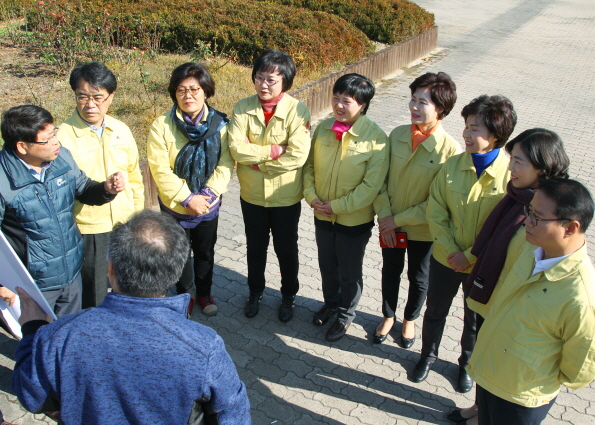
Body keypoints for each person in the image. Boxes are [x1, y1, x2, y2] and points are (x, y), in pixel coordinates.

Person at [11, 210, 251, 424]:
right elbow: (233, 415)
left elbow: (31, 395)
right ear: (177, 272)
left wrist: (32, 329)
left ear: (111, 269)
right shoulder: (204, 345)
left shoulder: (61, 335)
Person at [446, 128, 570, 424]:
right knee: (482, 348)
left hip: (514, 305)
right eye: (511, 159)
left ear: (543, 166)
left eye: (519, 162)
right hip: (491, 293)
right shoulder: (516, 195)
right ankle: (479, 408)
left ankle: (483, 413)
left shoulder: (548, 210)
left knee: (496, 357)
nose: (510, 168)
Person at [467, 178, 595, 425]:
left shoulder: (581, 296)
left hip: (520, 396)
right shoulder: (532, 250)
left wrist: (533, 372)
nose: (527, 220)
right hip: (489, 372)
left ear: (570, 228)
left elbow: (578, 370)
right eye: (529, 211)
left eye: (537, 216)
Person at [412, 95, 517, 393]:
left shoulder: (509, 176)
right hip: (446, 259)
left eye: (475, 129)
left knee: (474, 319)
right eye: (466, 127)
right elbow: (436, 210)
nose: (467, 135)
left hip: (482, 265)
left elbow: (505, 228)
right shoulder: (451, 166)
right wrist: (450, 251)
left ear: (496, 135)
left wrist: (470, 256)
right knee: (435, 312)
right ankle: (427, 356)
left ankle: (467, 365)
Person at [0, 105, 123, 318]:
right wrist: (2, 284)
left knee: (65, 335)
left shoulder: (61, 157)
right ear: (22, 146)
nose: (55, 142)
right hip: (33, 284)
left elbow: (83, 188)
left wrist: (105, 189)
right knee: (36, 342)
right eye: (46, 139)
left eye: (54, 133)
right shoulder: (3, 180)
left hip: (72, 271)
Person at [373, 71, 459, 348]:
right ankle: (388, 315)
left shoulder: (450, 151)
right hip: (390, 224)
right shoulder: (397, 135)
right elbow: (380, 180)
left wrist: (397, 219)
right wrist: (386, 217)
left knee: (418, 277)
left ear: (441, 109)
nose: (414, 107)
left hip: (423, 228)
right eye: (412, 99)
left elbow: (438, 202)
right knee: (390, 270)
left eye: (423, 102)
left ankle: (410, 319)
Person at [303, 73, 389, 342]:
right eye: (336, 98)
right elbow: (309, 168)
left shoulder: (376, 138)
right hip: (322, 214)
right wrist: (311, 196)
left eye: (347, 101)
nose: (339, 105)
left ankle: (345, 314)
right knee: (327, 265)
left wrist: (337, 206)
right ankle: (331, 303)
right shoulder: (324, 128)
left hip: (354, 220)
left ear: (362, 105)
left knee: (350, 271)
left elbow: (370, 187)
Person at [228, 49, 311, 322]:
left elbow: (298, 155)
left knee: (287, 249)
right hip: (252, 196)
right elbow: (236, 150)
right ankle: (255, 292)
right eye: (259, 78)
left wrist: (257, 161)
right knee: (255, 247)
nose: (263, 85)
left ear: (285, 82)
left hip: (285, 197)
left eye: (271, 80)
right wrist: (275, 151)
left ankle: (289, 296)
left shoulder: (298, 110)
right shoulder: (242, 107)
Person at [147, 62, 233, 316]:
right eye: (181, 90)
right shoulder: (161, 125)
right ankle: (185, 295)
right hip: (175, 206)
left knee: (205, 252)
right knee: (179, 253)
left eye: (194, 89)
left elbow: (227, 162)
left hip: (208, 204)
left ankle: (204, 293)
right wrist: (187, 198)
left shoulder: (220, 124)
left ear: (205, 91)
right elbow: (159, 168)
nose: (188, 96)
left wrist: (205, 197)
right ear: (174, 93)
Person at [58, 61, 145, 309]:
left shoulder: (121, 129)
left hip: (123, 222)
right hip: (89, 228)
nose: (90, 105)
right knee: (94, 292)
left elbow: (134, 178)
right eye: (82, 97)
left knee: (129, 285)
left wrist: (136, 217)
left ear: (111, 97)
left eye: (98, 97)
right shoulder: (62, 136)